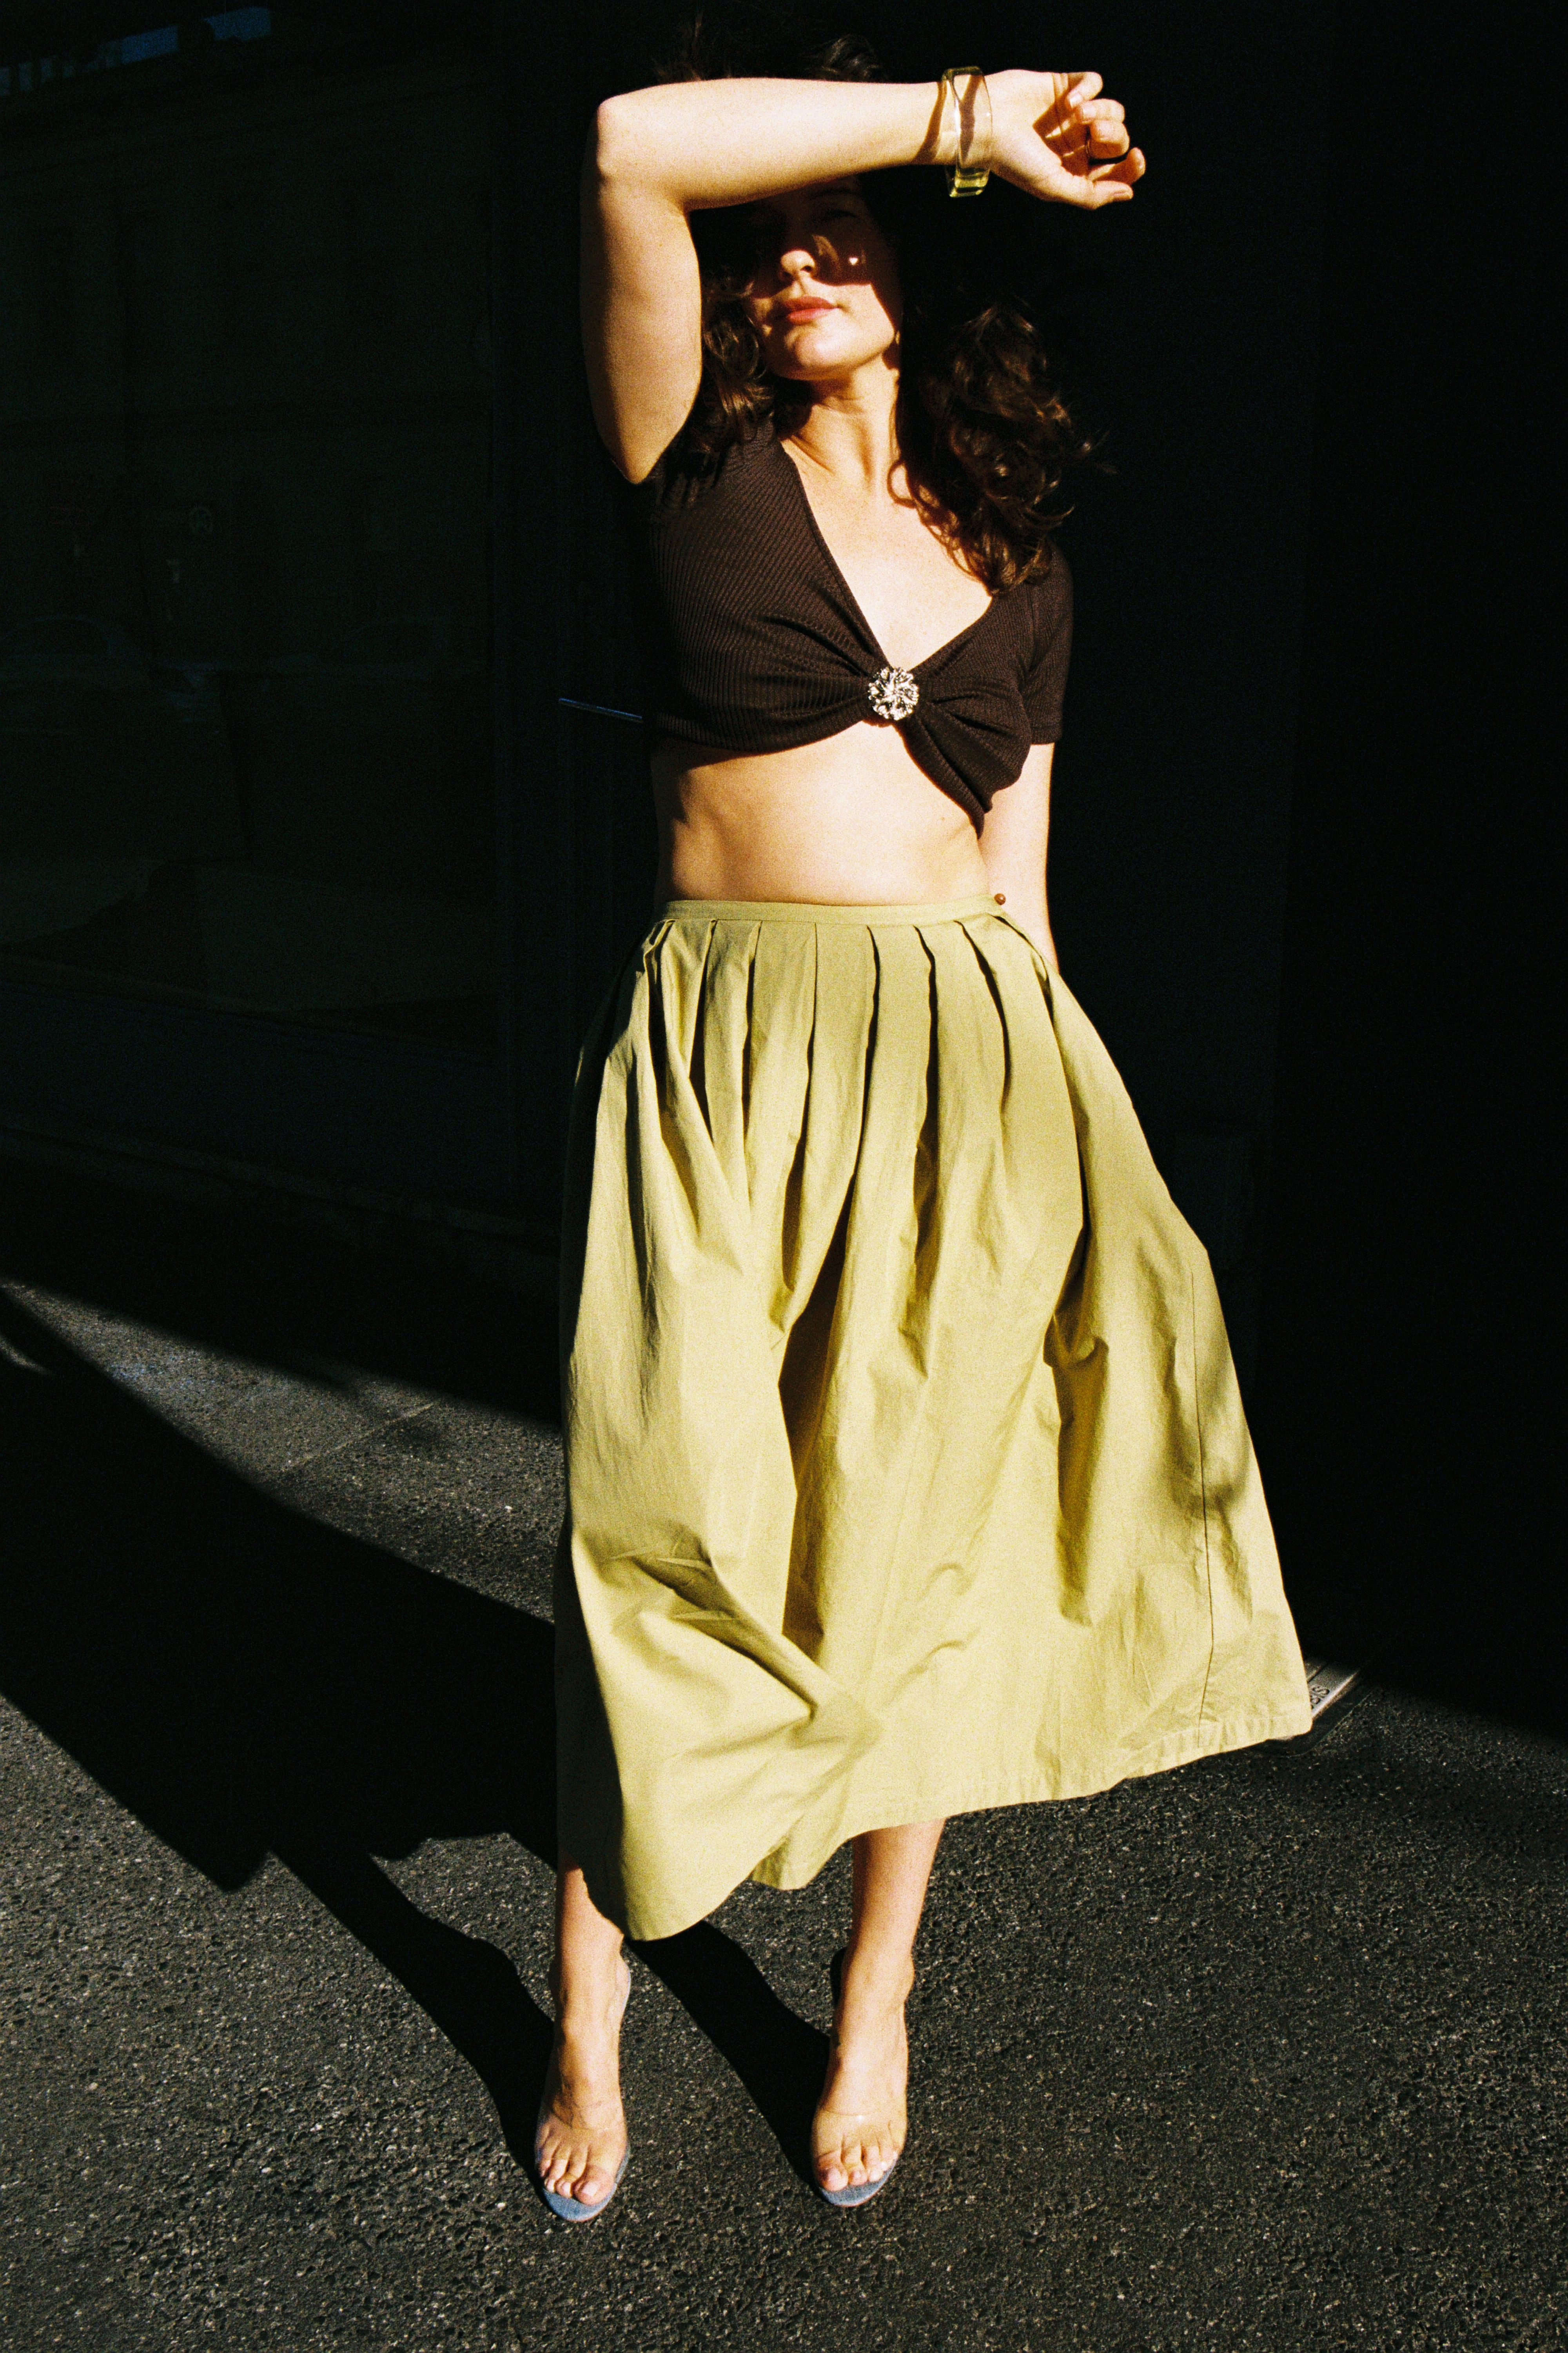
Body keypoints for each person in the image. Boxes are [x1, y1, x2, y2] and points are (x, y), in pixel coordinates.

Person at [536, 42, 1313, 2220]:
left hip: (972, 1073)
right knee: (657, 1539)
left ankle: (875, 1992)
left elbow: (1024, 896)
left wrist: (1086, 1178)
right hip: (728, 1067)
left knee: (922, 1555)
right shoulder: (690, 460)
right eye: (774, 245)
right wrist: (957, 121)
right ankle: (592, 1992)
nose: (795, 262)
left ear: (931, 289)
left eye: (839, 237)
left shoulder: (1022, 561)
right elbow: (631, 148)